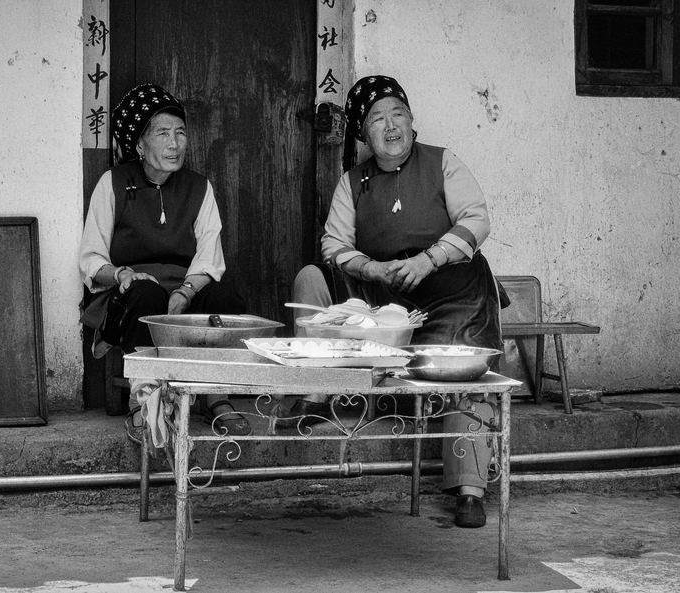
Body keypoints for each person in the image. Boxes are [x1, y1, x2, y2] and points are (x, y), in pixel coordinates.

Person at [286, 75, 503, 528]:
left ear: (411, 120)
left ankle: (470, 488)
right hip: (382, 291)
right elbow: (333, 244)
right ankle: (315, 391)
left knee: (464, 367)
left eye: (397, 114)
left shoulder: (444, 162)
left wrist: (429, 259)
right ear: (364, 135)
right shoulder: (353, 182)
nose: (390, 126)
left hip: (450, 288)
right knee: (311, 278)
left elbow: (476, 220)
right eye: (377, 119)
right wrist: (373, 269)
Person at [79, 83, 252, 442]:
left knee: (225, 299)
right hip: (130, 290)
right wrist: (122, 273)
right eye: (162, 134)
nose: (174, 144)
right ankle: (145, 398)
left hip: (185, 288)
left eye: (180, 133)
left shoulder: (199, 187)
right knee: (146, 297)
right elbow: (91, 257)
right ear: (140, 145)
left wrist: (187, 292)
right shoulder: (113, 182)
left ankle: (215, 396)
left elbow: (209, 256)